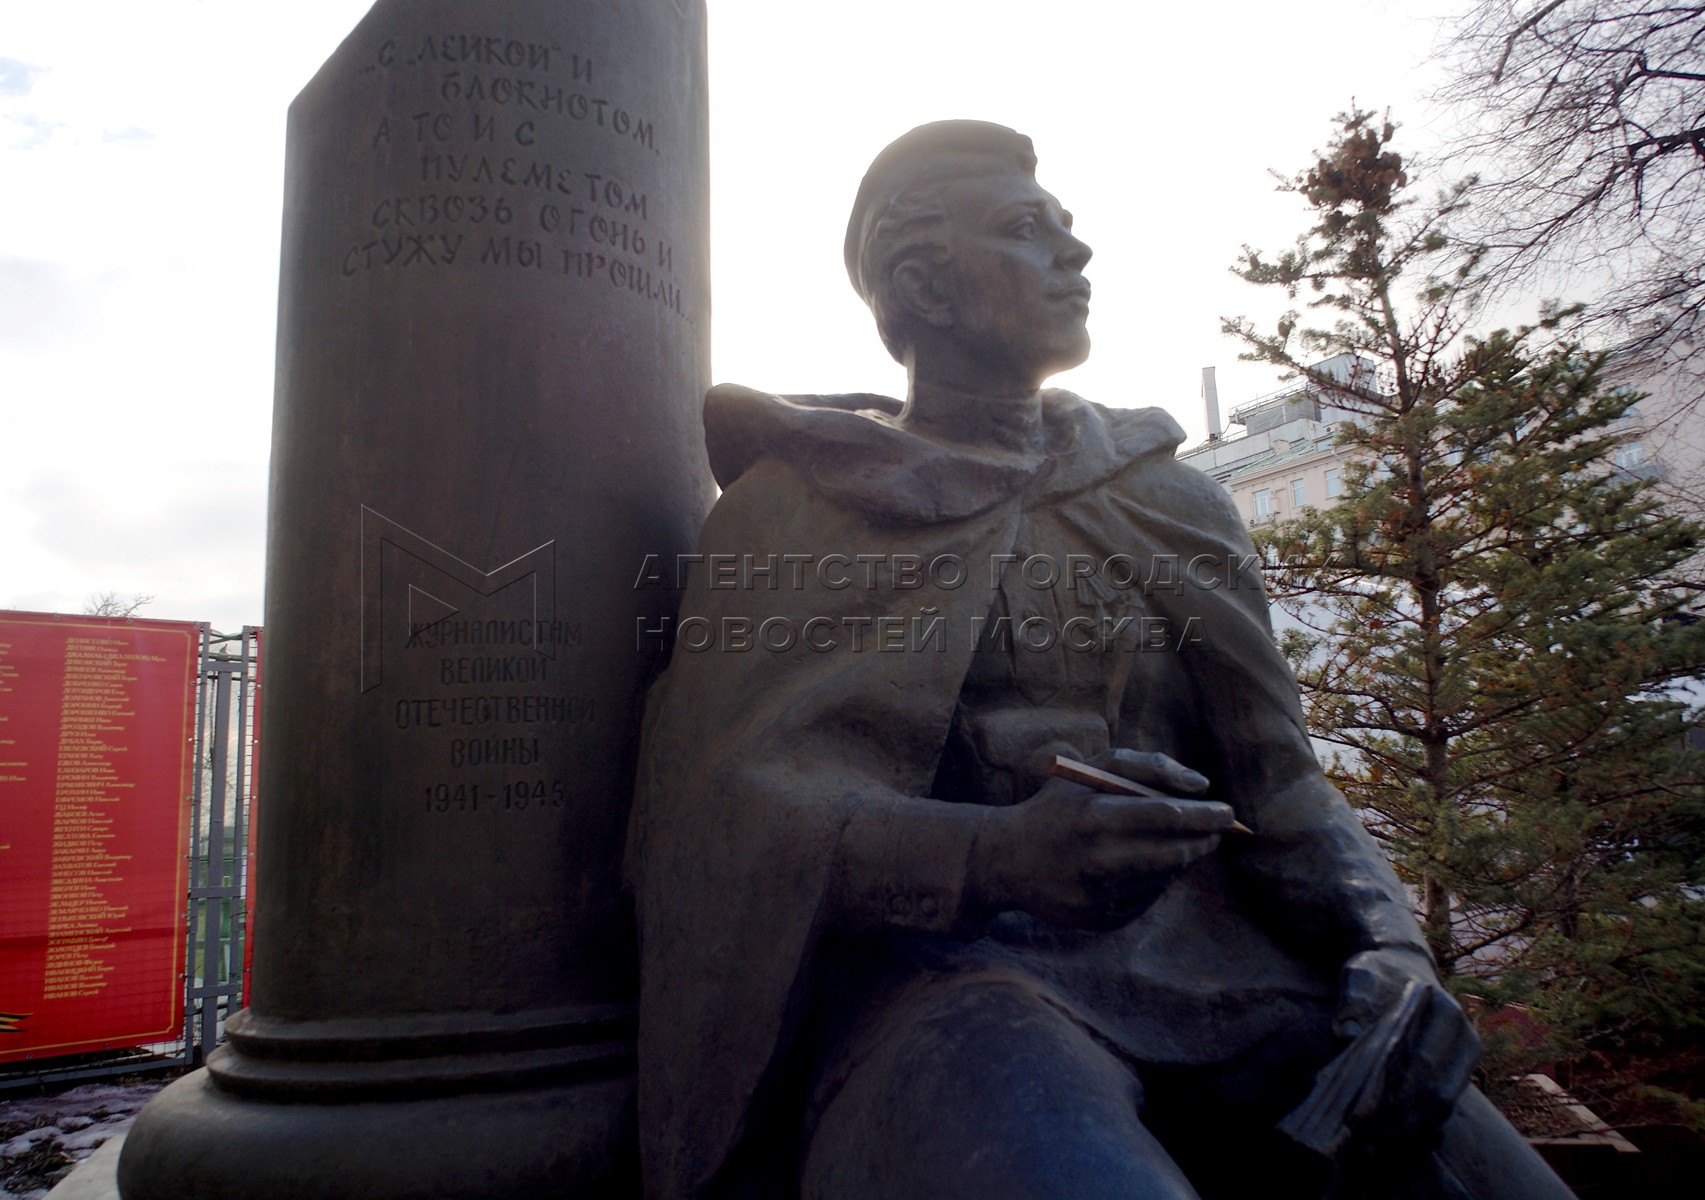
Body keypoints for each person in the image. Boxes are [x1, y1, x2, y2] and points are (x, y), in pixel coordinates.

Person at [626, 120, 1575, 1200]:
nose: (1073, 252)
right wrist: (994, 857)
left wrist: (1392, 947)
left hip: (1233, 984)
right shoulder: (796, 509)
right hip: (957, 986)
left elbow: (1280, 784)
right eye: (1025, 230)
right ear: (924, 287)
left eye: (1065, 227)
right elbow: (726, 817)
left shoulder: (1170, 499)